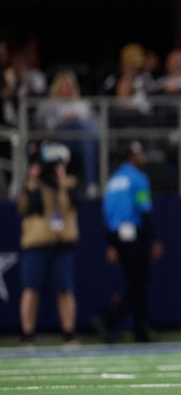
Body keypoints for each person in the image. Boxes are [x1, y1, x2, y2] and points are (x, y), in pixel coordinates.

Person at [94, 141, 163, 343]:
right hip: (134, 234)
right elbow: (145, 209)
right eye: (139, 154)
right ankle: (111, 320)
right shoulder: (138, 179)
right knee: (138, 284)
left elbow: (107, 214)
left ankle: (138, 327)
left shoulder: (113, 180)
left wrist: (111, 243)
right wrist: (155, 239)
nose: (142, 158)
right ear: (132, 157)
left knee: (135, 283)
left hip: (117, 235)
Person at [17, 141, 80, 345]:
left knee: (65, 290)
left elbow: (73, 204)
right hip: (36, 244)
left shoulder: (69, 182)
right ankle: (28, 335)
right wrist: (33, 181)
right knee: (31, 288)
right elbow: (29, 208)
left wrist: (61, 182)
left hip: (62, 244)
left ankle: (68, 334)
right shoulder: (32, 185)